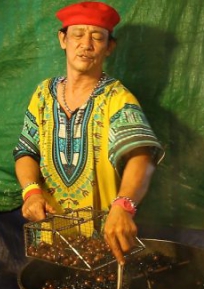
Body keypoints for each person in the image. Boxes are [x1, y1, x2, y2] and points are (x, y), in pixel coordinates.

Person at [13, 2, 164, 265]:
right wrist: (31, 192)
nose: (86, 44)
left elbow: (143, 157)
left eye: (97, 37)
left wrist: (124, 205)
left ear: (109, 47)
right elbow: (26, 150)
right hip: (48, 241)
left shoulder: (117, 99)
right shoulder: (42, 95)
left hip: (101, 246)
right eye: (77, 35)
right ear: (63, 39)